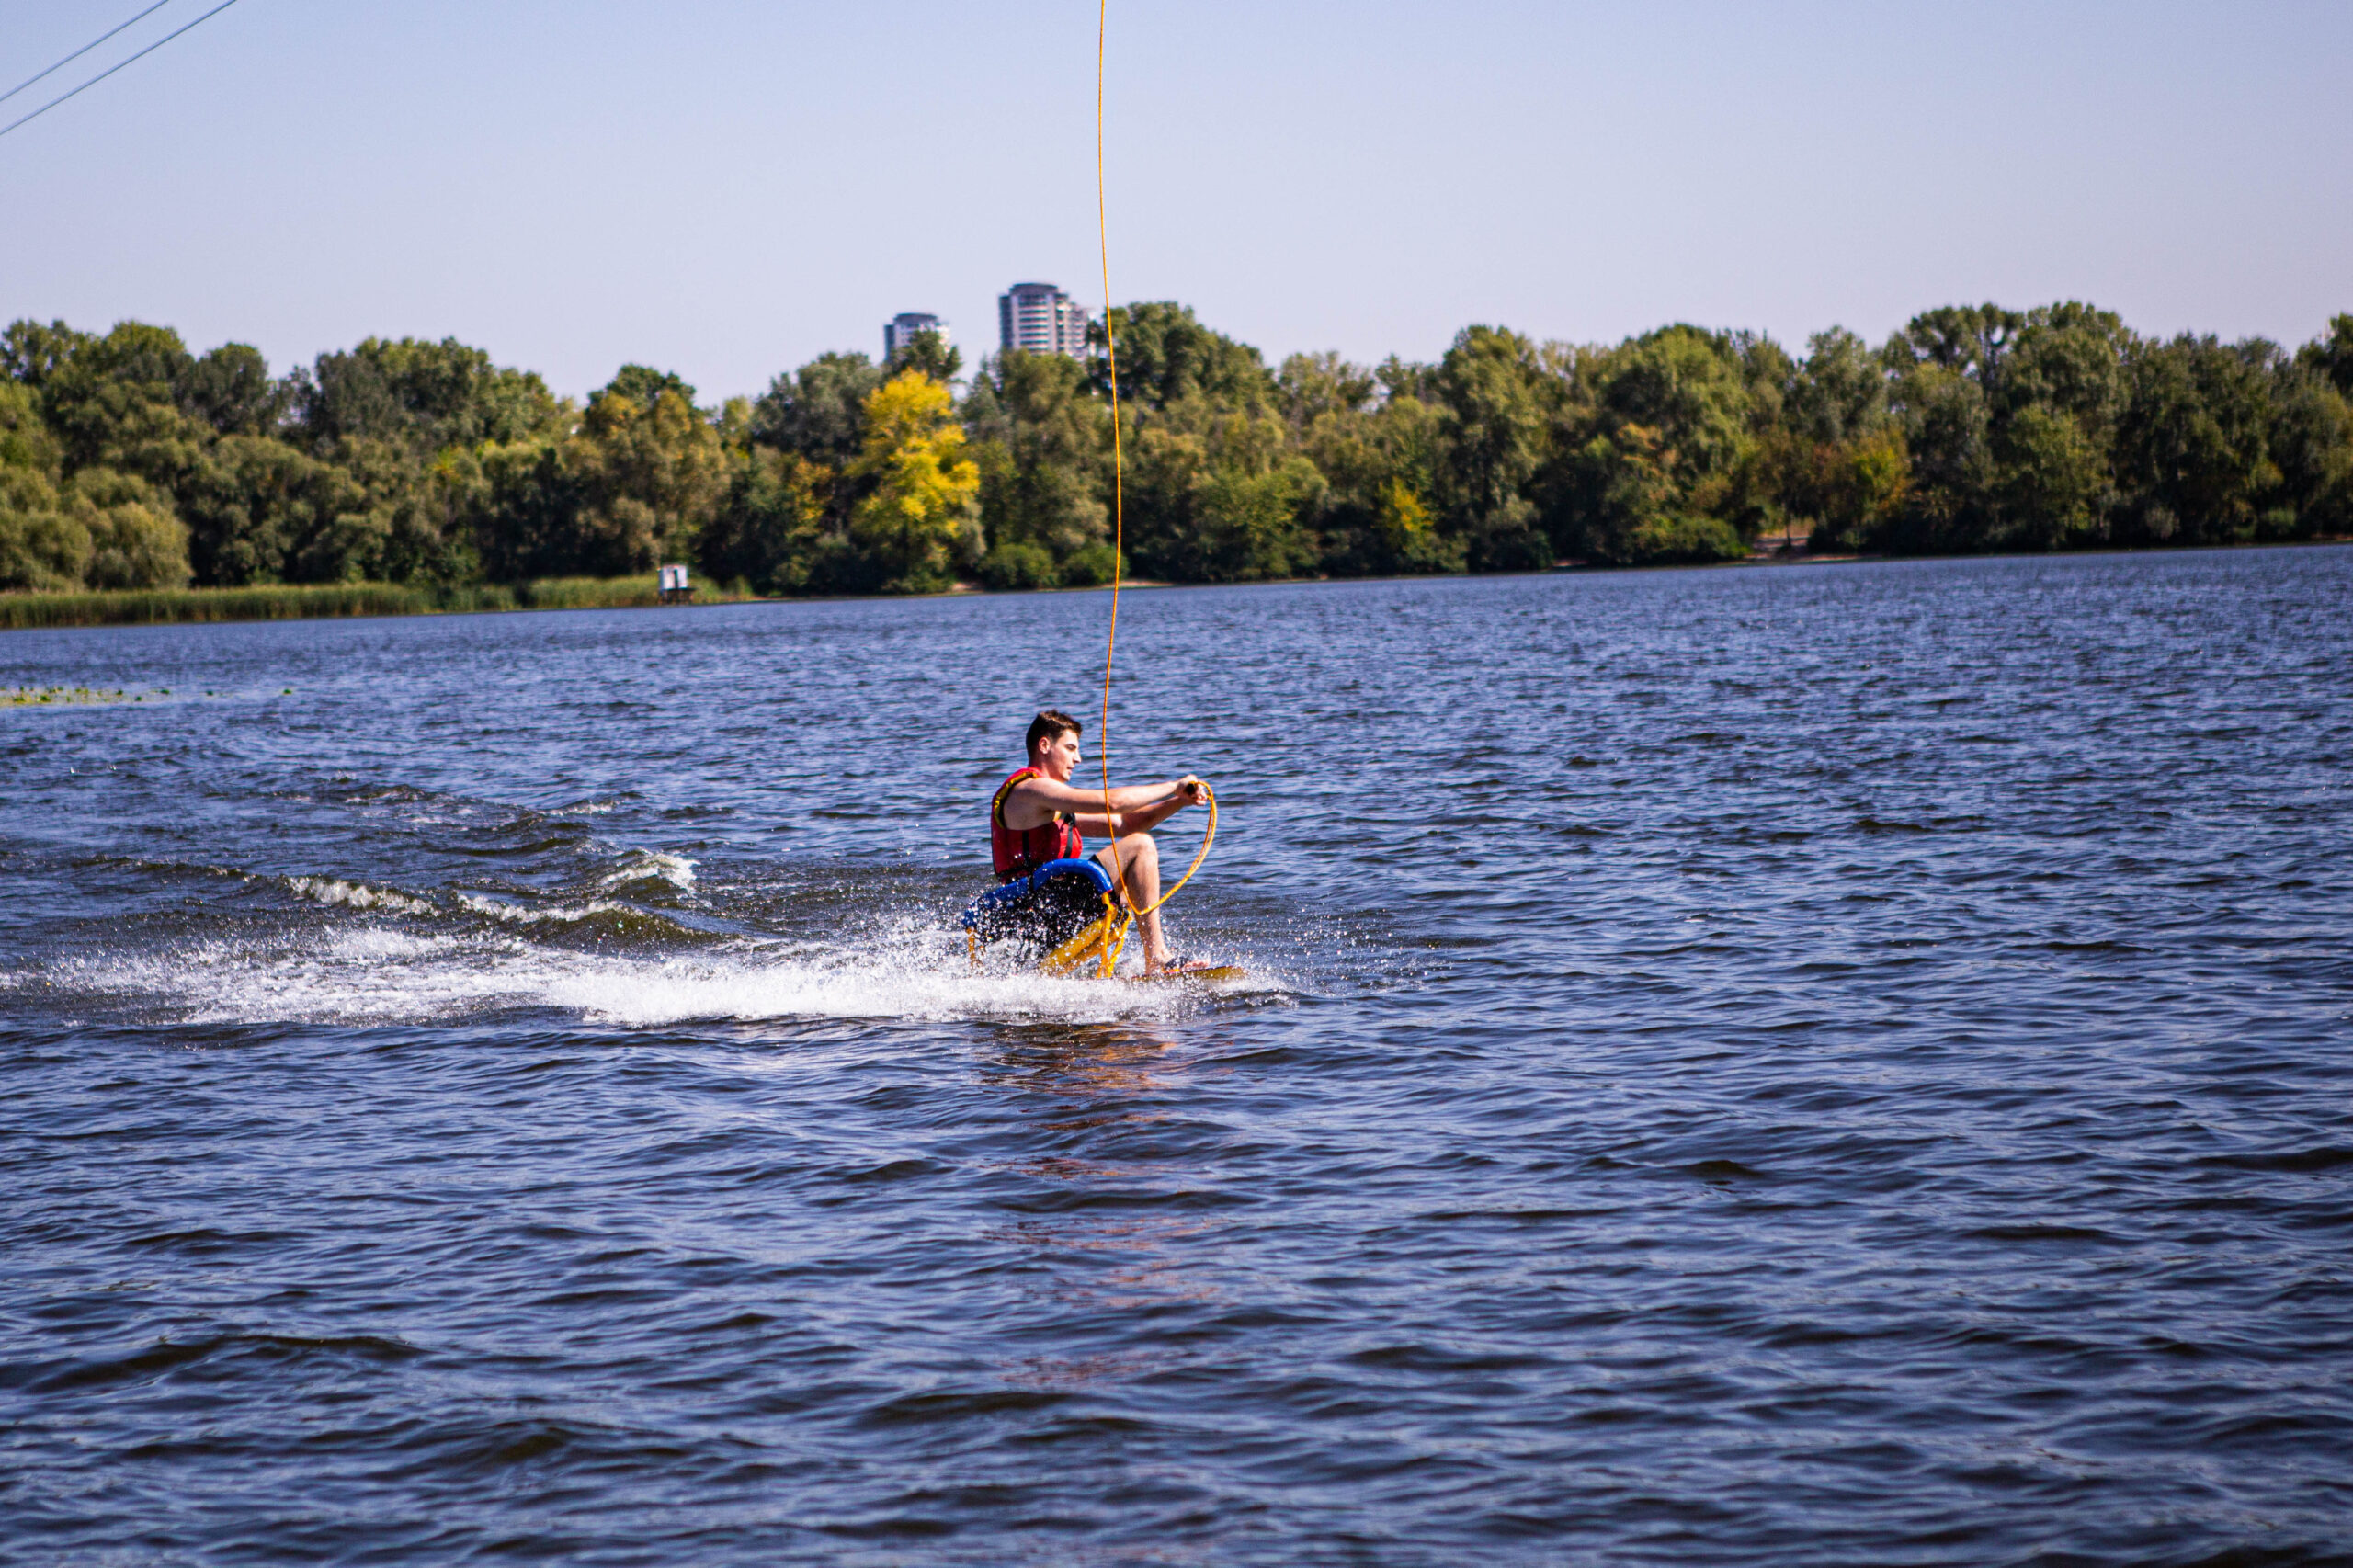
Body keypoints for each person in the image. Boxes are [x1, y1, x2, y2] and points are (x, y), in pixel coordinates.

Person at [991, 709, 1208, 975]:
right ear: (1045, 745)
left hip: (1047, 909)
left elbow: (1127, 823)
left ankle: (1145, 964)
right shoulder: (1030, 790)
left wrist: (1179, 801)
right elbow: (1112, 803)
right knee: (1140, 847)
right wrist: (1174, 785)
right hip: (1038, 911)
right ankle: (1158, 958)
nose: (1078, 759)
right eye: (1070, 748)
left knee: (1135, 863)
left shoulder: (1051, 808)